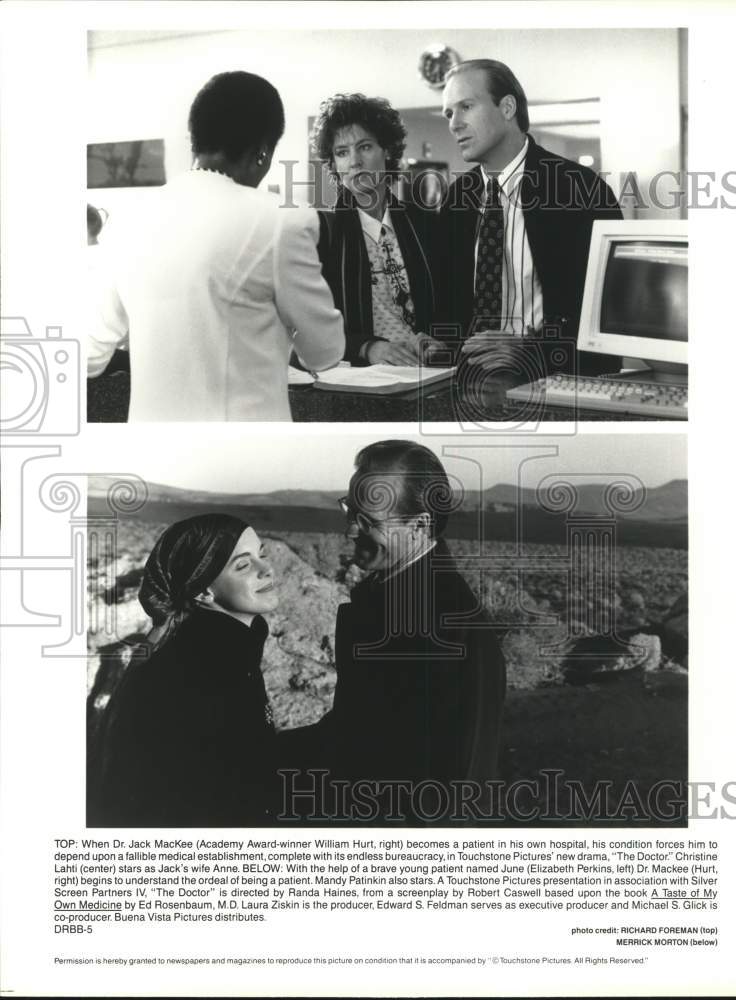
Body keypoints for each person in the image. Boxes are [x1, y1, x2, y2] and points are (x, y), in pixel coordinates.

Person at [88, 71, 344, 420]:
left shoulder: (127, 219)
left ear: (194, 139)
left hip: (150, 450)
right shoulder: (282, 221)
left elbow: (91, 355)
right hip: (247, 449)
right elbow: (325, 352)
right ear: (263, 152)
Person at [280, 440, 506, 824]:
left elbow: (455, 780)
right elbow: (358, 729)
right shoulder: (390, 592)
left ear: (419, 525)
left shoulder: (446, 622)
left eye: (369, 520)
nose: (350, 530)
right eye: (350, 510)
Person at [88, 514, 279, 827]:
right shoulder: (204, 669)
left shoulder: (230, 644)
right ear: (203, 592)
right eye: (244, 565)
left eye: (262, 554)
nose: (266, 568)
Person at [439, 59, 623, 377]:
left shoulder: (581, 190)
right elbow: (450, 306)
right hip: (468, 382)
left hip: (556, 383)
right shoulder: (458, 196)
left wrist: (530, 350)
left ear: (507, 107)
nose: (454, 124)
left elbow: (610, 316)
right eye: (449, 113)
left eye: (466, 106)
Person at [311, 94, 444, 365]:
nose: (354, 162)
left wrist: (439, 340)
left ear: (388, 151)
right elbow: (308, 327)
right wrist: (368, 348)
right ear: (334, 165)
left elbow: (451, 307)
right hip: (362, 381)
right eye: (342, 152)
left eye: (365, 147)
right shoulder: (321, 234)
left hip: (426, 373)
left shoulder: (425, 224)